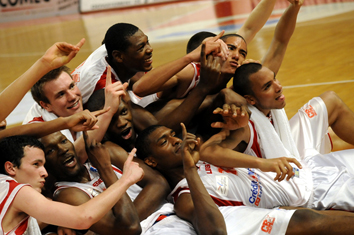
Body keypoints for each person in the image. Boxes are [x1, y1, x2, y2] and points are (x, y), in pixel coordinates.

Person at [135, 123, 354, 235]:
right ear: (152, 161)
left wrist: (236, 124)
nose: (175, 140)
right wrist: (190, 170)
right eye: (164, 141)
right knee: (308, 220)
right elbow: (214, 231)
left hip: (305, 175)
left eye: (174, 134)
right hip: (307, 195)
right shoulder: (184, 196)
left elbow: (236, 133)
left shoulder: (208, 154)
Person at [0, 135, 144, 235]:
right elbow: (83, 218)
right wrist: (126, 180)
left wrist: (61, 221)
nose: (44, 172)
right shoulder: (16, 189)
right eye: (36, 164)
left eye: (43, 165)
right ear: (11, 168)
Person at [39, 130, 170, 234]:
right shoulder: (66, 195)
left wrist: (125, 217)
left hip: (170, 219)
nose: (63, 150)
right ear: (43, 164)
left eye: (63, 141)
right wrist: (105, 169)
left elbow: (160, 183)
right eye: (50, 150)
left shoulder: (106, 151)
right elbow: (130, 228)